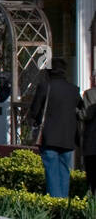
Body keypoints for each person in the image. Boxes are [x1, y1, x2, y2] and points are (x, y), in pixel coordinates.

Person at [28, 58, 82, 198]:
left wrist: (36, 118)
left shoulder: (45, 86)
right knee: (64, 170)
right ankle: (63, 201)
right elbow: (80, 109)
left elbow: (34, 110)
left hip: (49, 137)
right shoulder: (74, 89)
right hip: (68, 137)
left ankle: (55, 203)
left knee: (51, 170)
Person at [81, 81, 96, 180]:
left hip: (92, 142)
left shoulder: (90, 93)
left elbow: (86, 115)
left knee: (92, 177)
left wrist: (76, 111)